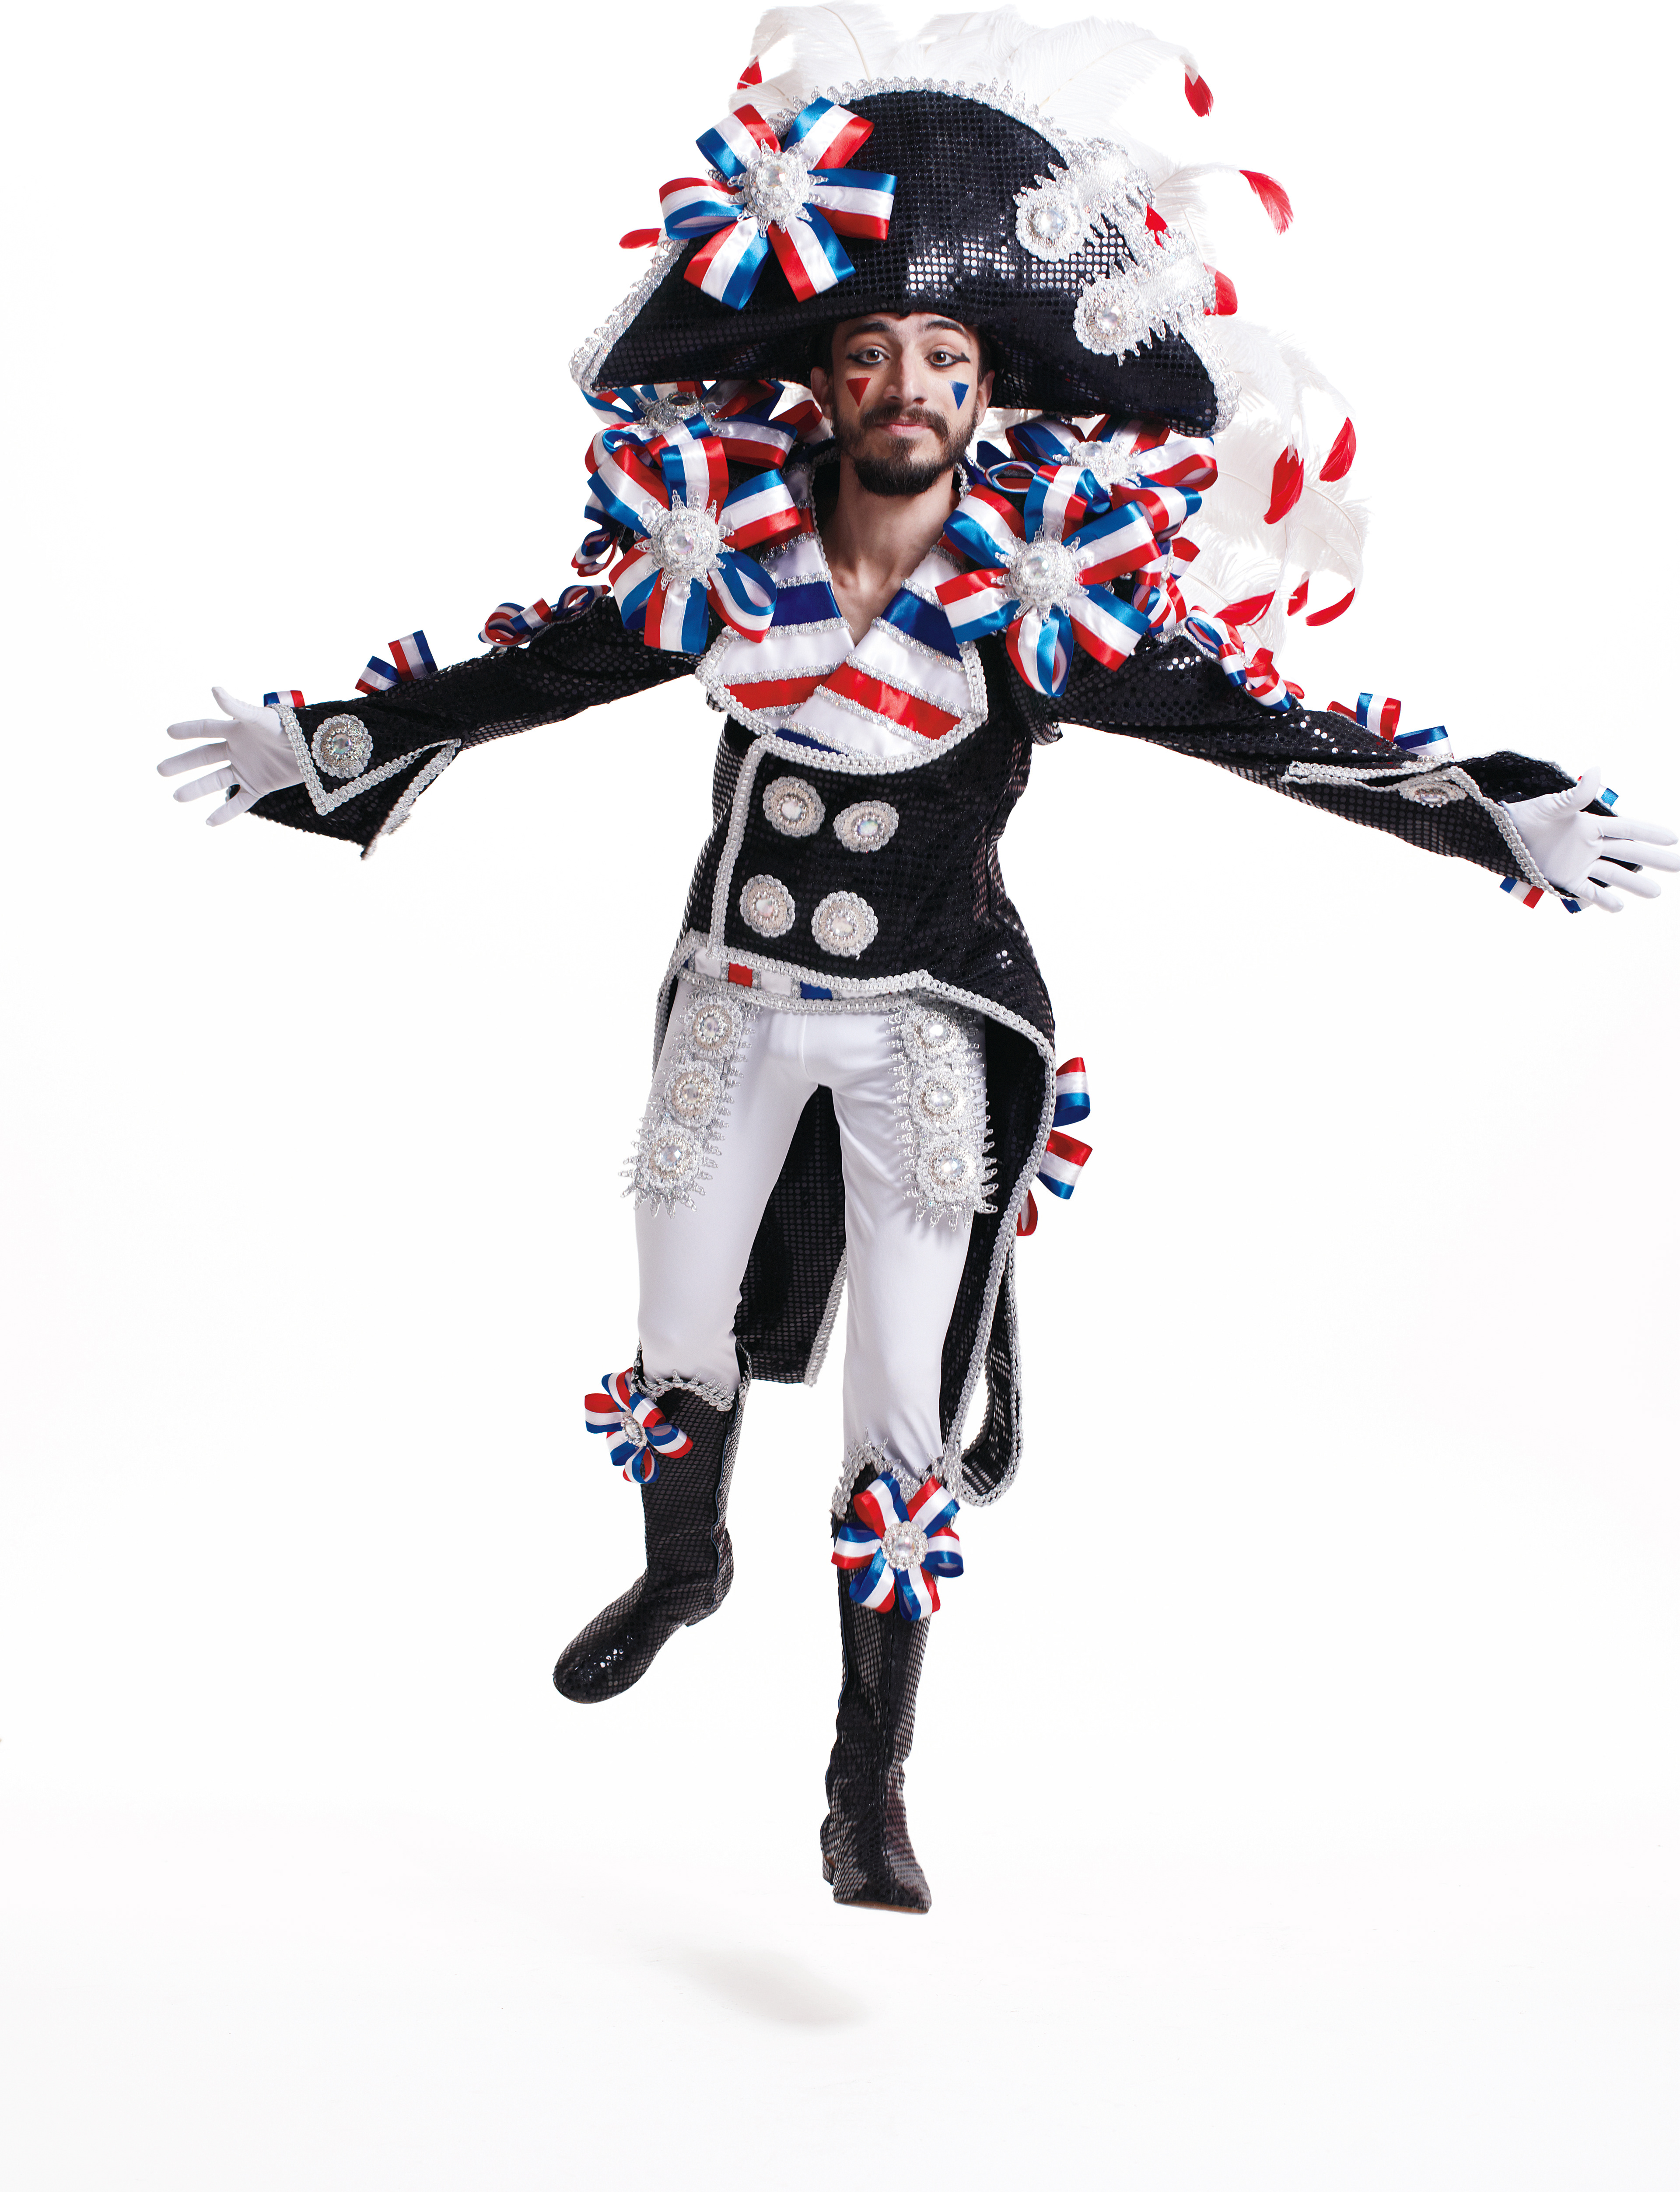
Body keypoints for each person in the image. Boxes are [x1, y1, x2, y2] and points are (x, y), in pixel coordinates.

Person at [155, 8, 1677, 1914]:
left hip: (929, 1036)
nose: (906, 383)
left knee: (900, 1396)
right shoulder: (715, 560)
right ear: (820, 377)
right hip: (731, 1007)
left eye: (944, 357)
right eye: (870, 349)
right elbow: (522, 671)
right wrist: (322, 745)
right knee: (678, 1322)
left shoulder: (1048, 601)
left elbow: (1274, 736)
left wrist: (1497, 812)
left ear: (988, 387)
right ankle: (684, 1562)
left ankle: (863, 1781)